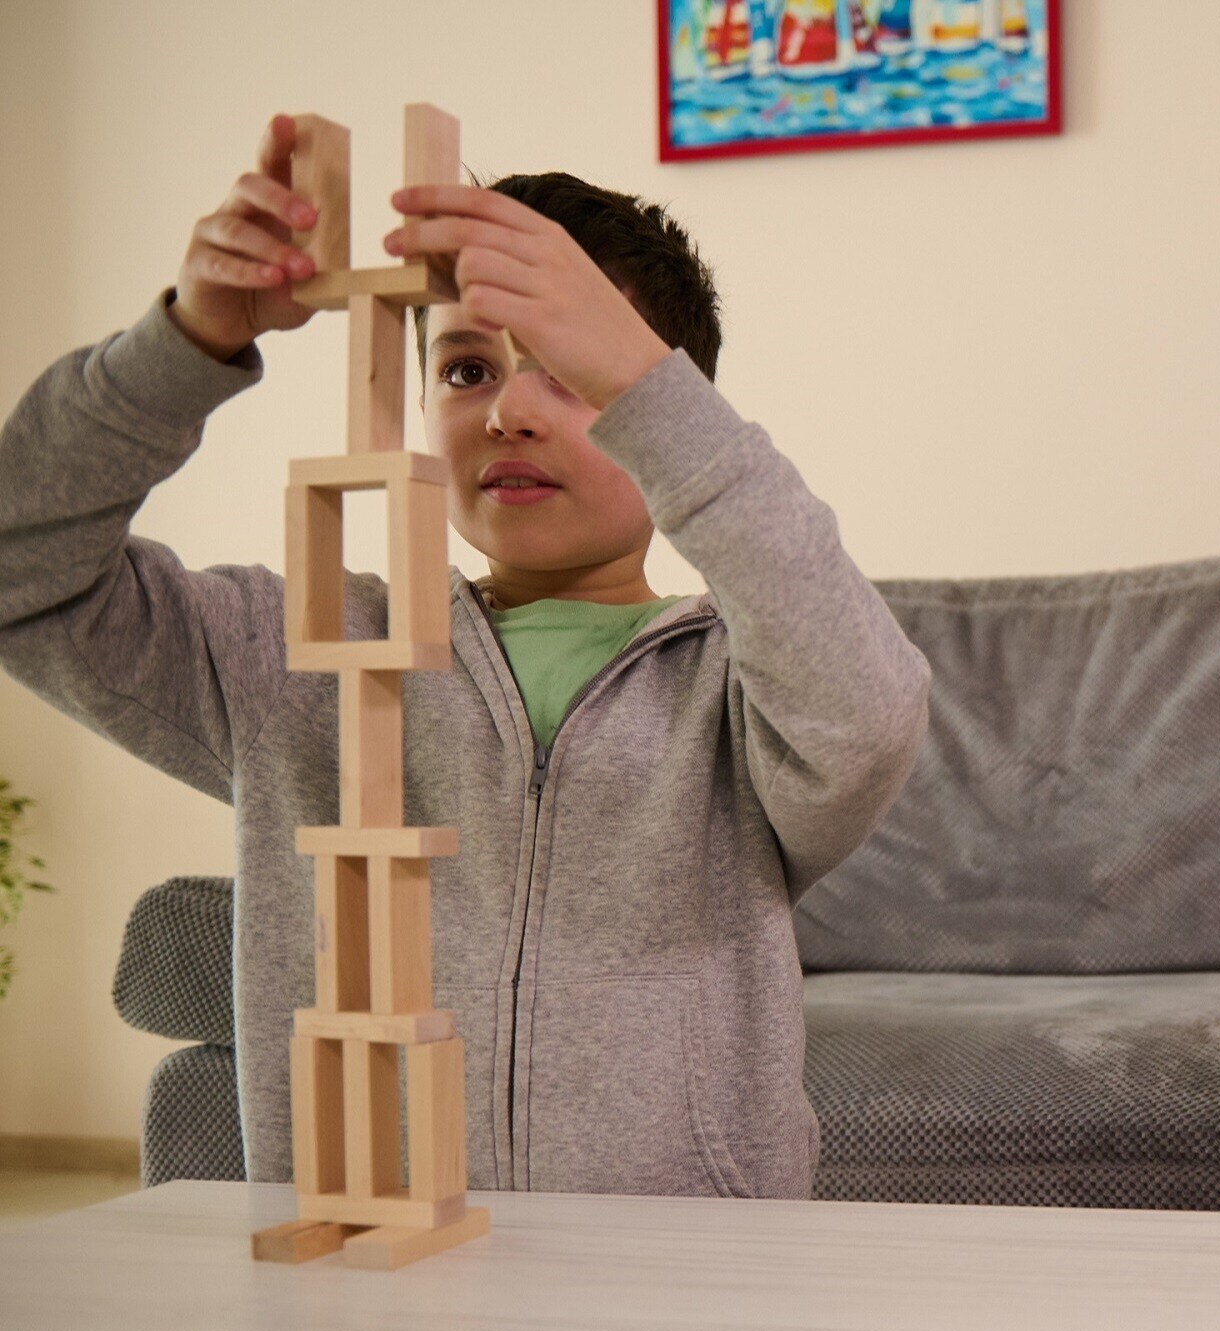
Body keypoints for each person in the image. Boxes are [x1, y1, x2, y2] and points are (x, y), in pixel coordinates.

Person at [0, 114, 930, 1197]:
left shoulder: (740, 688)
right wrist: (182, 350)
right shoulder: (302, 655)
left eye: (575, 376)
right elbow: (26, 570)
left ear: (663, 411)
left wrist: (655, 393)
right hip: (372, 1282)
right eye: (469, 368)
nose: (511, 413)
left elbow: (868, 716)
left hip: (683, 1288)